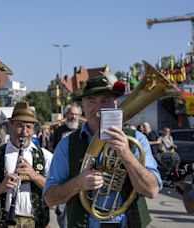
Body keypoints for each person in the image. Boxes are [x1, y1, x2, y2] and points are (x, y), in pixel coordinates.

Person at [43, 75, 162, 228]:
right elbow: (49, 199)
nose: (98, 108)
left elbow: (152, 190)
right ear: (83, 107)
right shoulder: (66, 145)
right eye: (91, 101)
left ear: (115, 103)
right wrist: (78, 183)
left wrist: (126, 154)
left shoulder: (138, 140)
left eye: (105, 100)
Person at [0, 101, 53, 227]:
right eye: (19, 126)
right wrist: (1, 187)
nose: (24, 132)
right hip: (3, 222)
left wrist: (34, 175)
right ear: (9, 126)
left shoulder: (46, 156)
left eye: (29, 127)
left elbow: (55, 190)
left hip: (36, 222)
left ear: (33, 129)